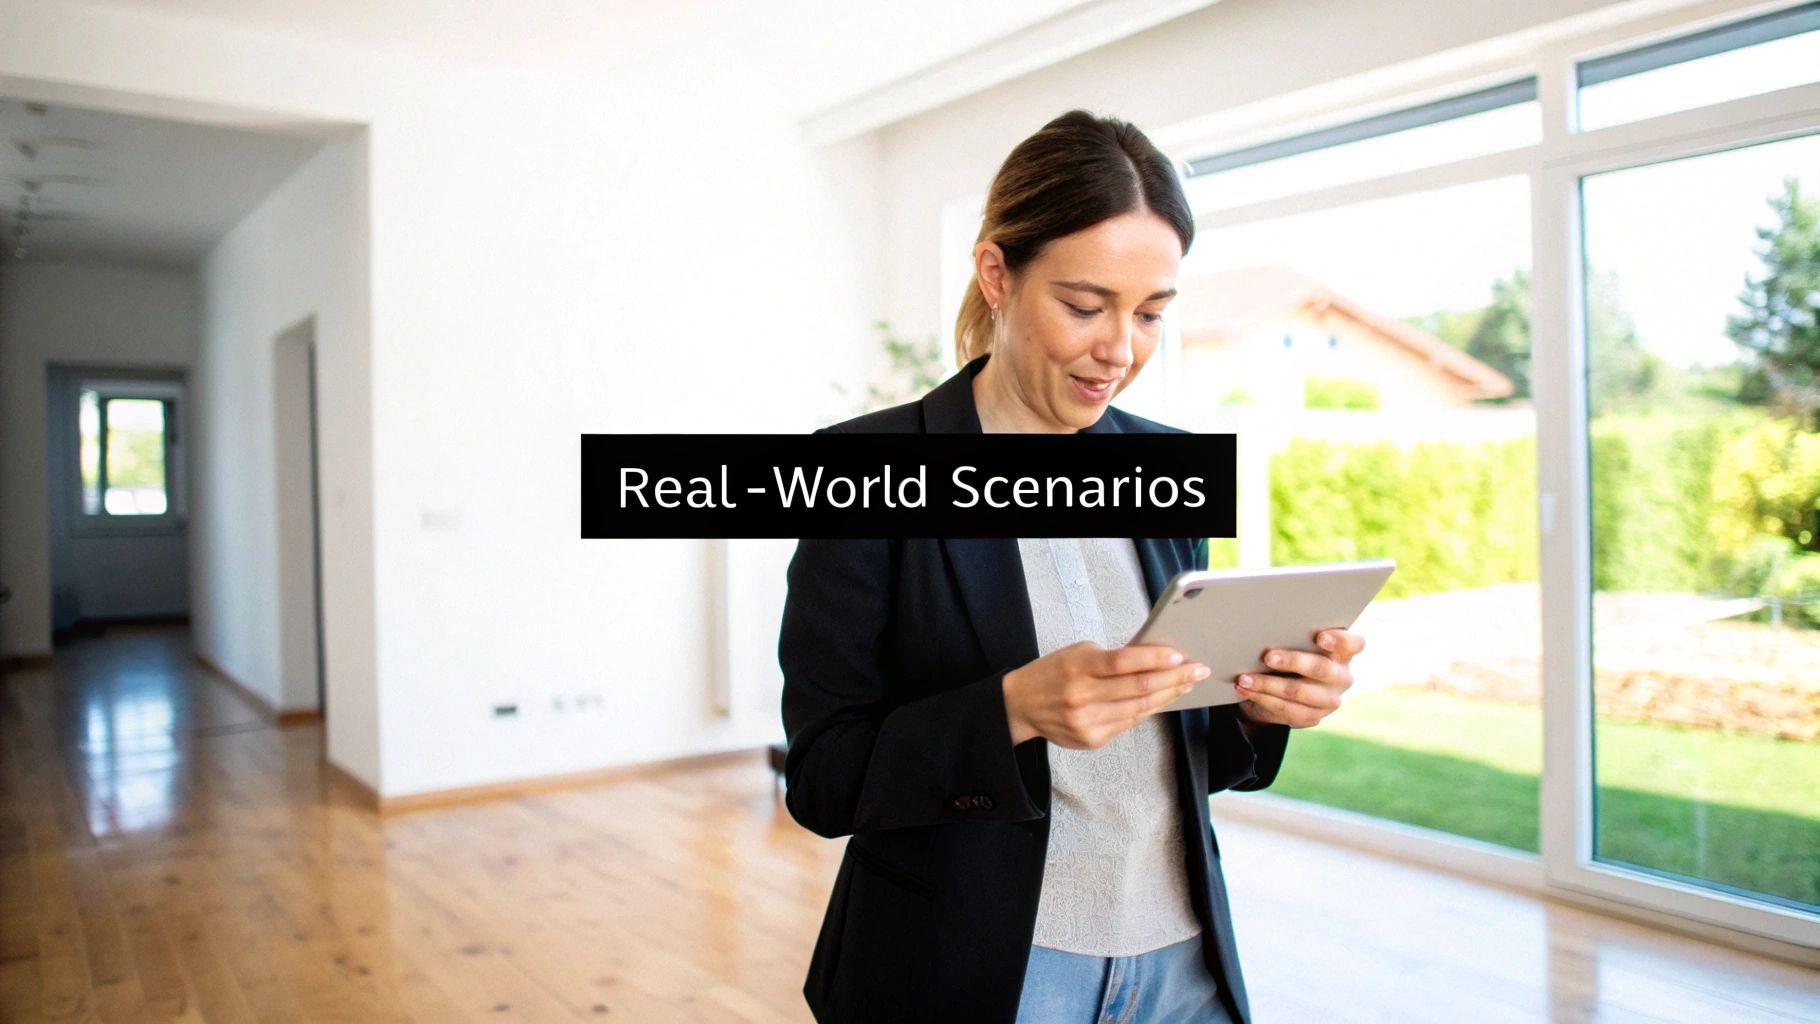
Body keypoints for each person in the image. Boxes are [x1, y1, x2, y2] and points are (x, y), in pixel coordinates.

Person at [778, 108, 1368, 1024]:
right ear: (997, 274)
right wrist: (1011, 710)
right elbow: (822, 779)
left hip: (1180, 967)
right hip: (982, 977)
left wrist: (1261, 706)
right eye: (1086, 306)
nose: (1120, 349)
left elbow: (1181, 756)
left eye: (1151, 314)